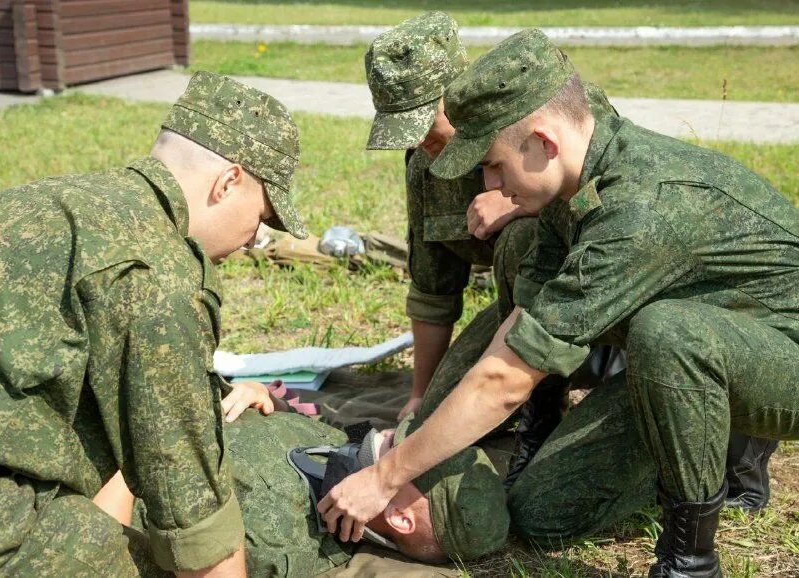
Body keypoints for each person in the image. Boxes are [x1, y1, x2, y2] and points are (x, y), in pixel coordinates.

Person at [320, 29, 798, 578]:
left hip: (776, 360)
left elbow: (506, 381)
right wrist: (425, 417)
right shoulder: (572, 189)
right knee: (544, 515)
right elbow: (519, 335)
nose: (489, 182)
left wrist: (385, 477)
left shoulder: (641, 212)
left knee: (670, 333)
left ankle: (690, 558)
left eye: (495, 165)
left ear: (544, 142)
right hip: (696, 349)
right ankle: (679, 415)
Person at [0, 71, 307, 577]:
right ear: (228, 181)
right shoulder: (160, 277)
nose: (253, 239)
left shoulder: (50, 200)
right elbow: (193, 519)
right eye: (261, 216)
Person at [364, 11, 536, 421]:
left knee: (521, 238)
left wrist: (519, 201)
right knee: (437, 412)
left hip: (586, 305)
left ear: (460, 94)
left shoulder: (535, 115)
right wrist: (419, 394)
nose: (420, 141)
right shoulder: (426, 167)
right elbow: (432, 291)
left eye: (424, 123)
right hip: (511, 322)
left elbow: (613, 208)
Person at [127, 409, 509, 577]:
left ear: (400, 517)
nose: (388, 435)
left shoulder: (275, 542)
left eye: (400, 454)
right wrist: (265, 399)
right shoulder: (348, 456)